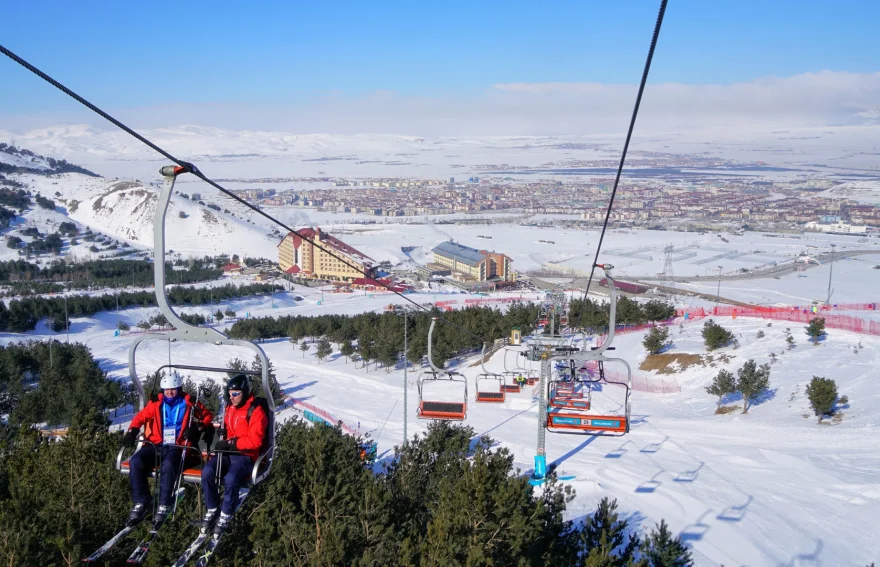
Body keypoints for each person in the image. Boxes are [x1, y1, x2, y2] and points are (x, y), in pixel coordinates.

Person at [121, 372, 213, 526]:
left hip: (177, 445)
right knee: (136, 461)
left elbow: (207, 415)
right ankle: (142, 500)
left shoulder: (188, 402)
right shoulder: (157, 403)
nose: (169, 392)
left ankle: (164, 503)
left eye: (173, 389)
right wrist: (132, 431)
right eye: (166, 389)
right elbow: (140, 418)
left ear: (179, 388)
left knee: (169, 465)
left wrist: (198, 427)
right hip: (156, 443)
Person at [199, 374, 269, 535]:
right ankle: (212, 508)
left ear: (244, 392)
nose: (233, 397)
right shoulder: (230, 409)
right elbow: (231, 430)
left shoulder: (256, 411)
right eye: (230, 394)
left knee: (231, 478)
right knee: (208, 472)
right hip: (227, 454)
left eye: (236, 393)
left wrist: (232, 443)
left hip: (245, 456)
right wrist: (224, 434)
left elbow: (255, 441)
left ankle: (225, 514)